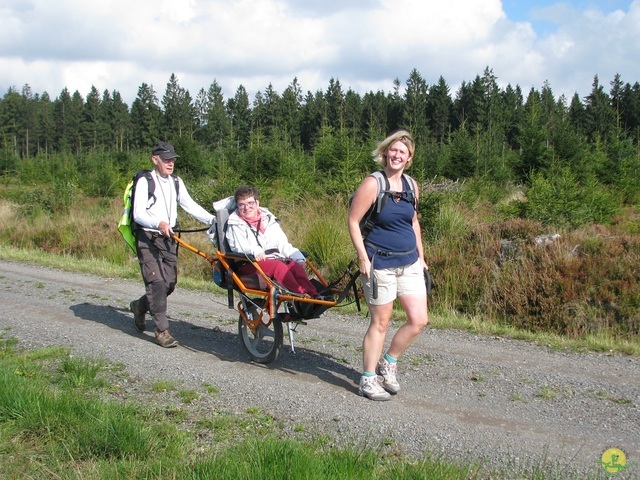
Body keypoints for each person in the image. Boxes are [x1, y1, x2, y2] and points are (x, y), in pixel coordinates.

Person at [348, 130, 429, 401]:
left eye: (402, 153)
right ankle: (368, 379)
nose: (396, 156)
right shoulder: (373, 184)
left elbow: (414, 222)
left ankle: (389, 361)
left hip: (409, 262)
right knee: (380, 322)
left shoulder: (412, 185)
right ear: (385, 153)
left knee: (418, 320)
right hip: (379, 262)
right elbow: (353, 221)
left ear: (409, 158)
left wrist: (422, 256)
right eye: (392, 151)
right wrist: (362, 258)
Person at [129, 141, 215, 348]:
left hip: (168, 238)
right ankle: (161, 330)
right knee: (156, 283)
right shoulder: (144, 180)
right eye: (166, 159)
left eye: (172, 159)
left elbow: (189, 204)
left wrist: (213, 220)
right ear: (155, 159)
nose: (170, 163)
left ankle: (140, 306)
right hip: (148, 237)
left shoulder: (176, 182)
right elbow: (138, 214)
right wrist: (158, 223)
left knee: (168, 284)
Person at [225, 185, 320, 298]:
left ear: (257, 203)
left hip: (272, 260)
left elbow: (282, 243)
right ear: (237, 206)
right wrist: (255, 251)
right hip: (249, 262)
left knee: (294, 265)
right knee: (279, 267)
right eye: (242, 204)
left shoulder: (268, 219)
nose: (246, 207)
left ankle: (314, 295)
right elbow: (239, 247)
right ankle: (300, 295)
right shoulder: (235, 223)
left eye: (250, 203)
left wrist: (298, 257)